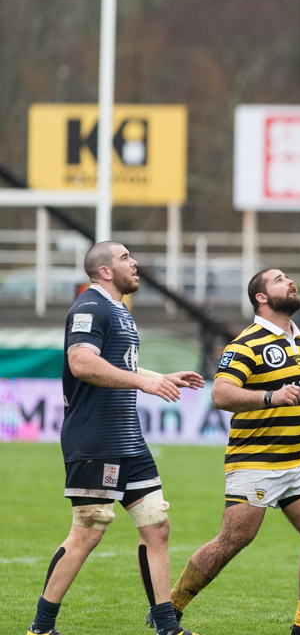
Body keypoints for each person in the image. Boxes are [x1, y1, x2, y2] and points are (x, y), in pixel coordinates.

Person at [26, 241, 205, 635]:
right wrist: (143, 382)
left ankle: (166, 627)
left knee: (156, 527)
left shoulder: (119, 310)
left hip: (128, 440)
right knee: (88, 531)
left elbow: (119, 363)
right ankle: (40, 627)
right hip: (95, 440)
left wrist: (159, 377)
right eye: (125, 258)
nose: (134, 262)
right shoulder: (90, 306)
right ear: (105, 271)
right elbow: (82, 362)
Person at [168, 268, 300, 635]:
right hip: (253, 460)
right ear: (261, 297)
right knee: (234, 540)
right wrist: (269, 396)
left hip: (298, 461)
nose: (290, 282)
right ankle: (170, 607)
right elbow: (220, 394)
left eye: (288, 278)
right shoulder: (245, 344)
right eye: (279, 280)